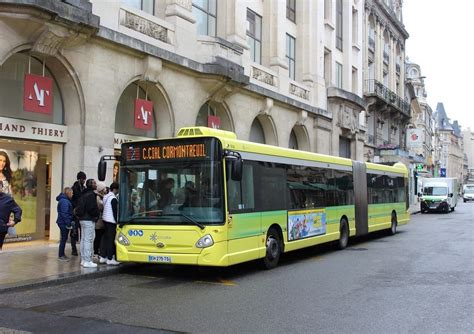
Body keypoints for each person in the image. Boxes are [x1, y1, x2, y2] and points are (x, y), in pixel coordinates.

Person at [76, 178, 99, 268]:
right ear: (91, 185)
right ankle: (87, 260)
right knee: (88, 240)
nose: (95, 184)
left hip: (82, 219)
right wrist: (96, 214)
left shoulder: (84, 193)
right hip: (89, 219)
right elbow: (91, 208)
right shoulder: (91, 195)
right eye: (94, 183)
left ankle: (83, 259)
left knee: (83, 239)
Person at [100, 182, 120, 265]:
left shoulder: (106, 197)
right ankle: (110, 258)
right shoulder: (113, 199)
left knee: (105, 238)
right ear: (115, 189)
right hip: (111, 221)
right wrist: (117, 222)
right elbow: (115, 212)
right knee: (111, 240)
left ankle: (103, 256)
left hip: (105, 220)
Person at [0, 180, 21, 250]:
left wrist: (15, 221)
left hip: (1, 229)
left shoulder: (8, 199)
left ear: (1, 187)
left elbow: (18, 210)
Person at [70, 171, 87, 256]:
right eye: (83, 179)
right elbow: (73, 200)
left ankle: (81, 248)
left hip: (81, 213)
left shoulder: (83, 188)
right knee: (74, 232)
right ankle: (74, 249)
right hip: (75, 214)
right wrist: (75, 209)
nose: (84, 181)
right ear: (79, 179)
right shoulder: (74, 188)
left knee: (82, 232)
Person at [56, 187, 73, 261]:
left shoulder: (63, 200)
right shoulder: (64, 201)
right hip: (63, 222)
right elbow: (64, 213)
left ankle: (62, 254)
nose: (72, 194)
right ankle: (61, 255)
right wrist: (68, 223)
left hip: (62, 221)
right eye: (72, 193)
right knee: (63, 239)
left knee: (64, 238)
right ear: (68, 193)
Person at [94, 181, 107, 259]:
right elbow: (100, 206)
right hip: (99, 221)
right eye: (104, 188)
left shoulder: (101, 196)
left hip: (101, 220)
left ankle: (98, 250)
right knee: (98, 236)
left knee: (100, 236)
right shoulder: (98, 197)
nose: (105, 190)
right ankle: (96, 251)